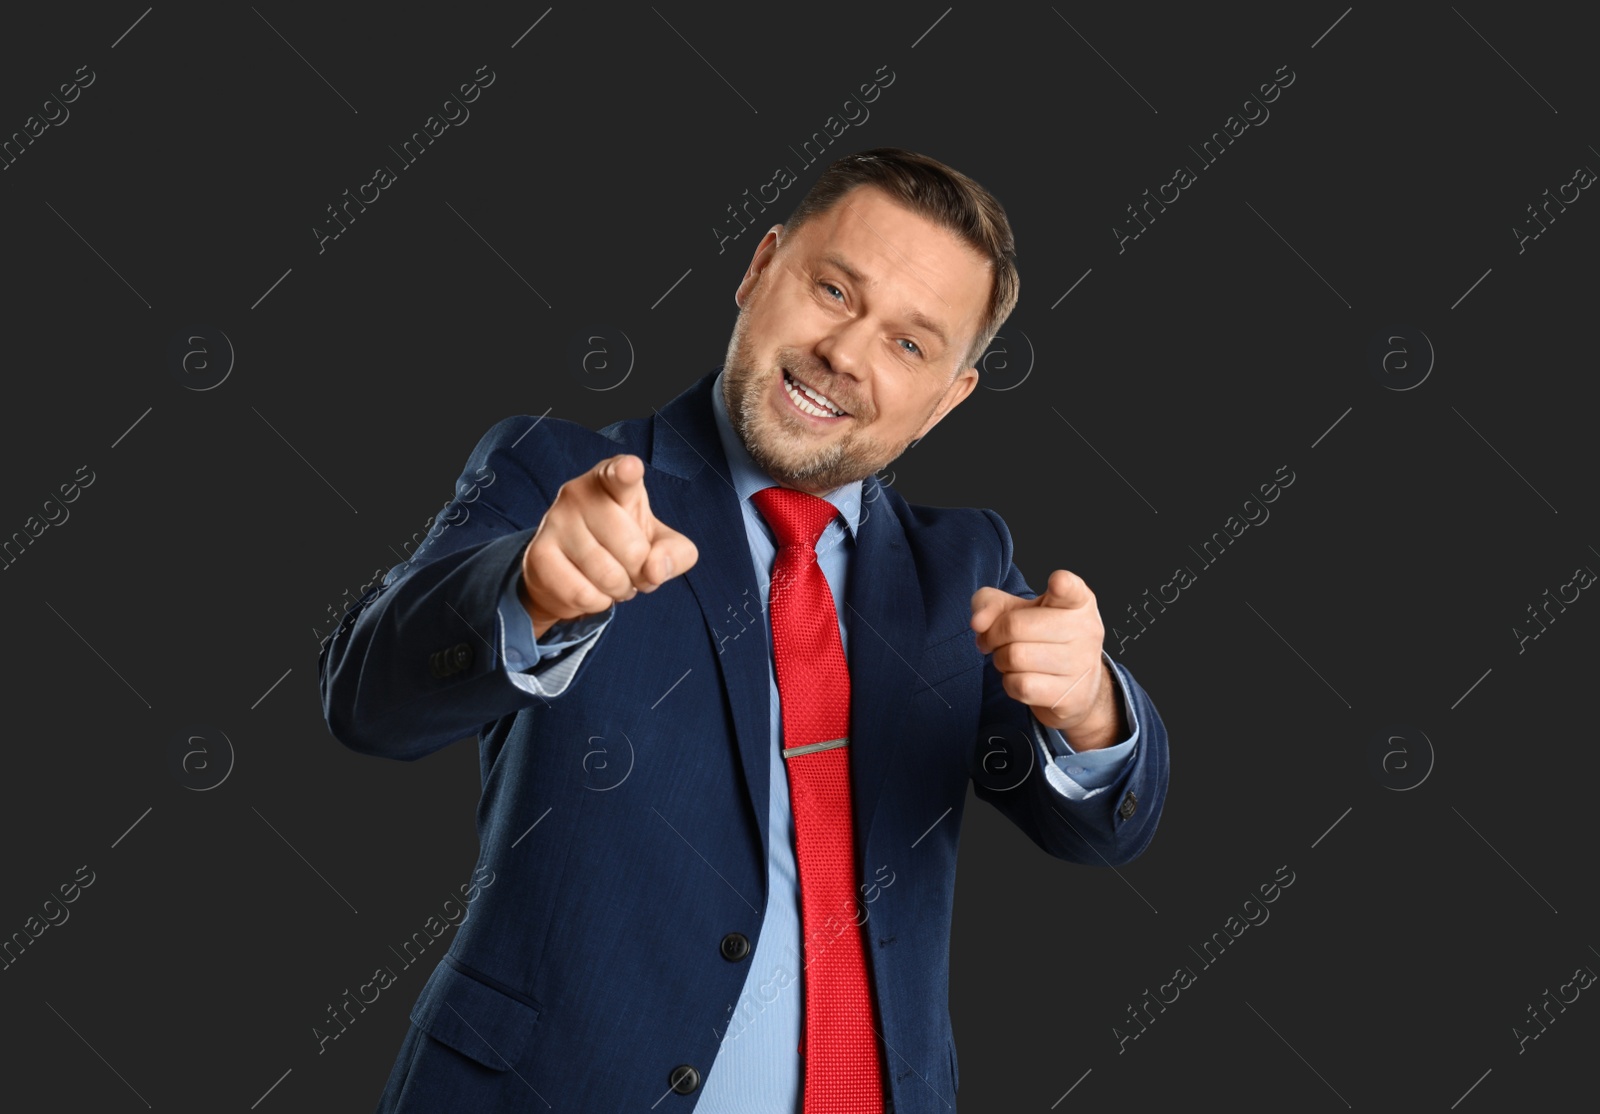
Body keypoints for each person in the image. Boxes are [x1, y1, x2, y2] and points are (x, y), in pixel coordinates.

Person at [319, 147, 1170, 1113]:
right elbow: (367, 698)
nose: (846, 354)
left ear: (948, 398)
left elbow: (1100, 831)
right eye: (835, 289)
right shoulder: (558, 472)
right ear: (760, 267)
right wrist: (529, 595)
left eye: (910, 345)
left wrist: (1092, 706)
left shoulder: (964, 567)